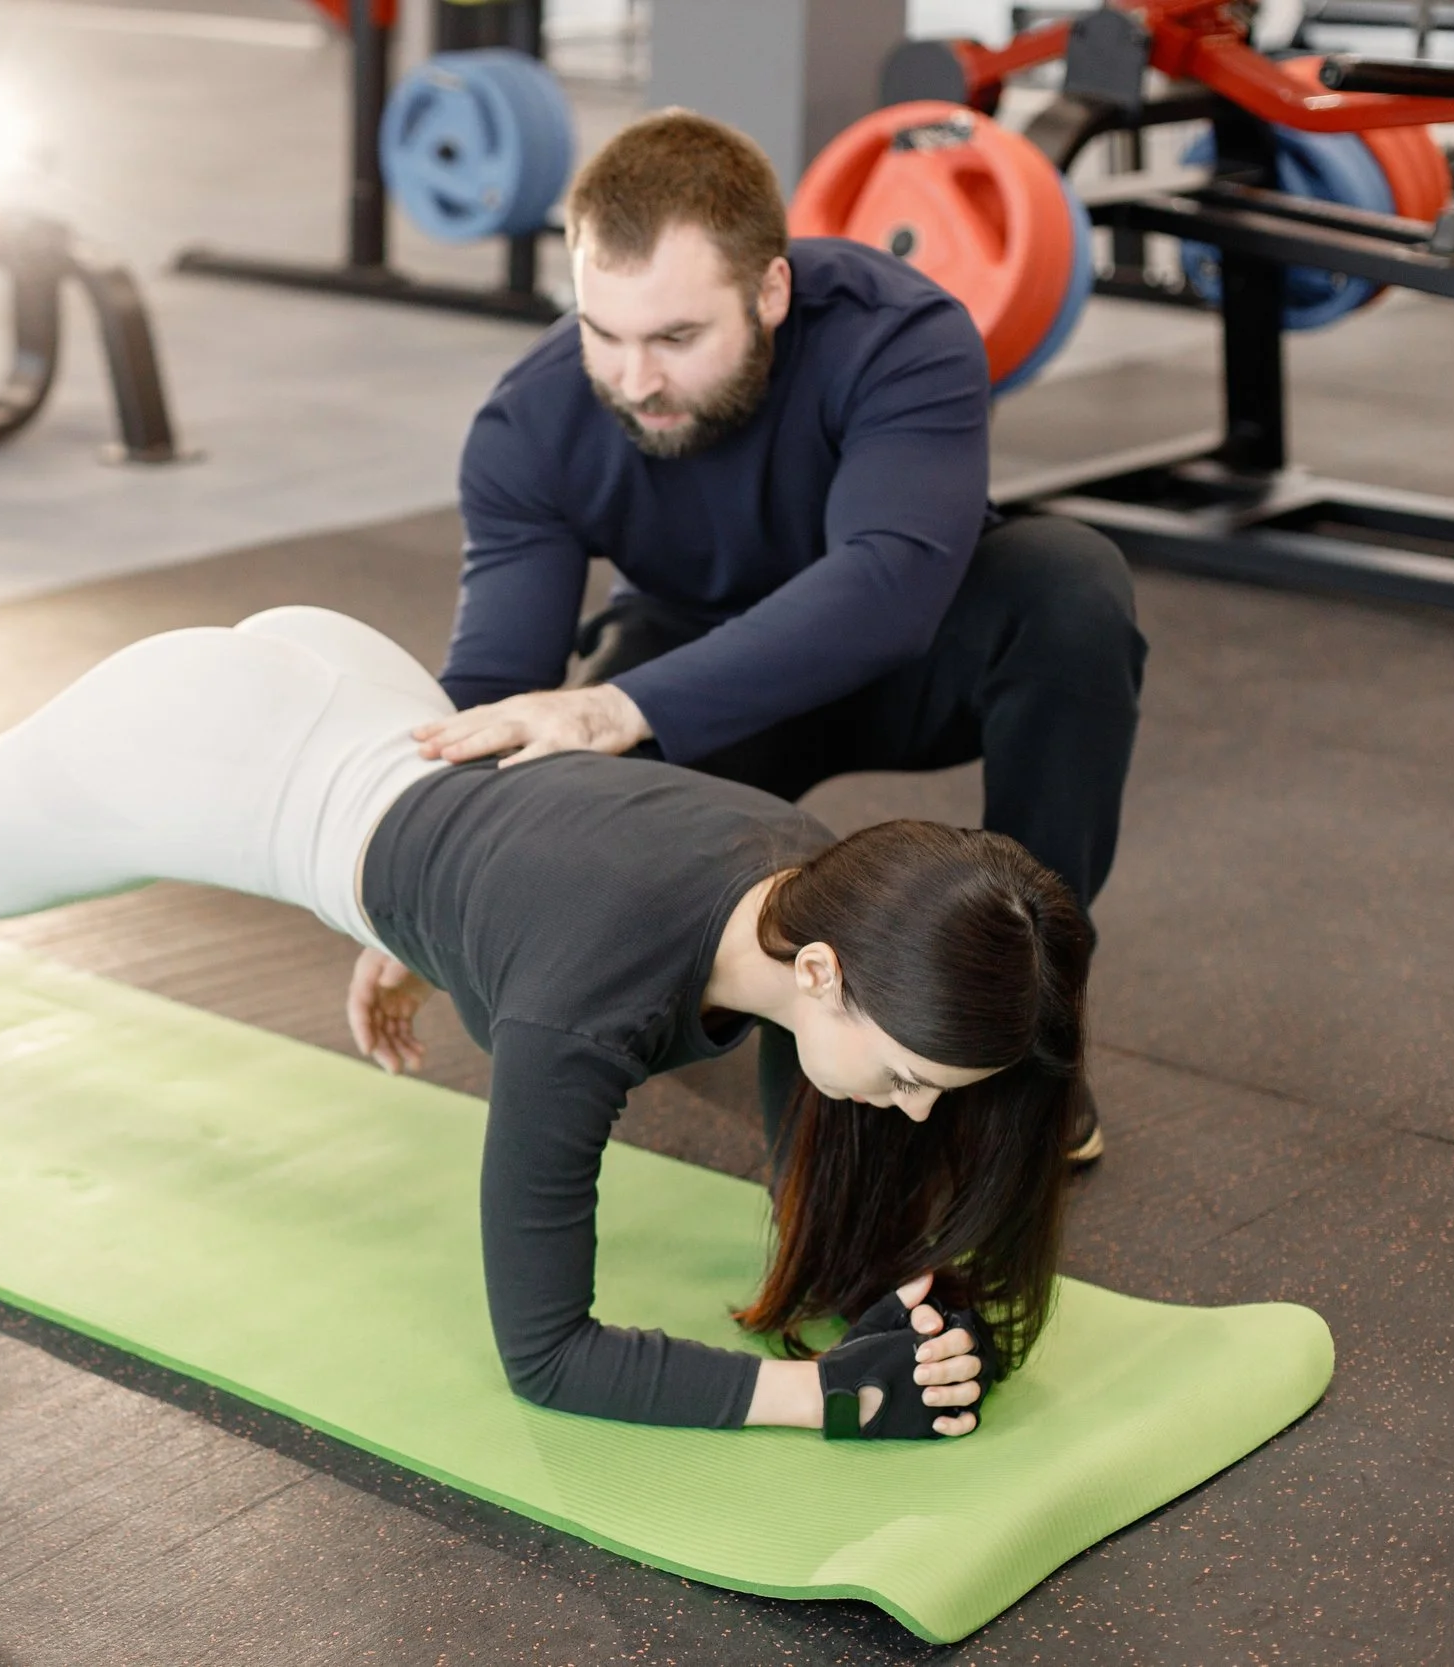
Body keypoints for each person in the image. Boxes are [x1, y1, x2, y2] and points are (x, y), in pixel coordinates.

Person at [0, 607, 1090, 1439]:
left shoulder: (812, 874)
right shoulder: (585, 1008)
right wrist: (820, 1396)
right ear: (824, 977)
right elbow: (546, 1356)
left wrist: (897, 1302)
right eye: (905, 1076)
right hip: (210, 756)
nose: (905, 1108)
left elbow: (568, 891)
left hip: (356, 696)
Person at [416, 111, 1145, 1166]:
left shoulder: (900, 331)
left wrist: (615, 706)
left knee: (1070, 586)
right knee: (554, 787)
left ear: (770, 290)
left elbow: (889, 585)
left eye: (675, 337)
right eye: (601, 332)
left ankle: (1026, 1034)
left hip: (911, 651)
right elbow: (492, 686)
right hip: (693, 666)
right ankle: (721, 999)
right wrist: (409, 879)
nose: (634, 380)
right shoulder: (530, 425)